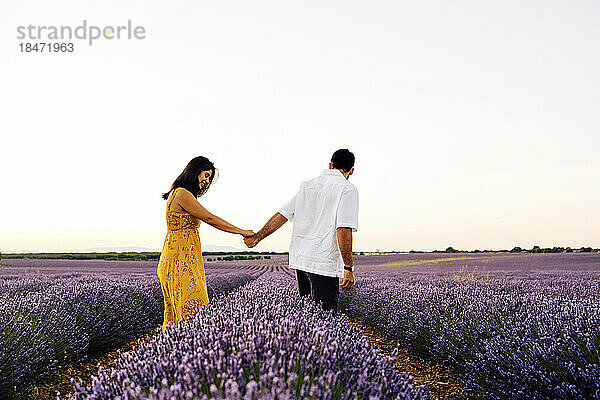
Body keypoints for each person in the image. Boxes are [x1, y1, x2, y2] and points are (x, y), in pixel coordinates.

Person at [244, 149, 359, 313]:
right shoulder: (347, 189)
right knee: (325, 318)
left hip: (302, 261)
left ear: (330, 165)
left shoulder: (308, 185)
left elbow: (283, 214)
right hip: (323, 263)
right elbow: (343, 229)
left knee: (308, 316)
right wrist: (348, 267)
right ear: (351, 171)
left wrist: (258, 237)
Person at [158, 156, 255, 330]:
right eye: (206, 175)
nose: (206, 181)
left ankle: (178, 353)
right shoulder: (182, 194)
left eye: (209, 178)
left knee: (179, 315)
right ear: (195, 171)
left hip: (178, 258)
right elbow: (210, 218)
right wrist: (242, 231)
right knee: (193, 311)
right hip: (180, 261)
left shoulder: (178, 193)